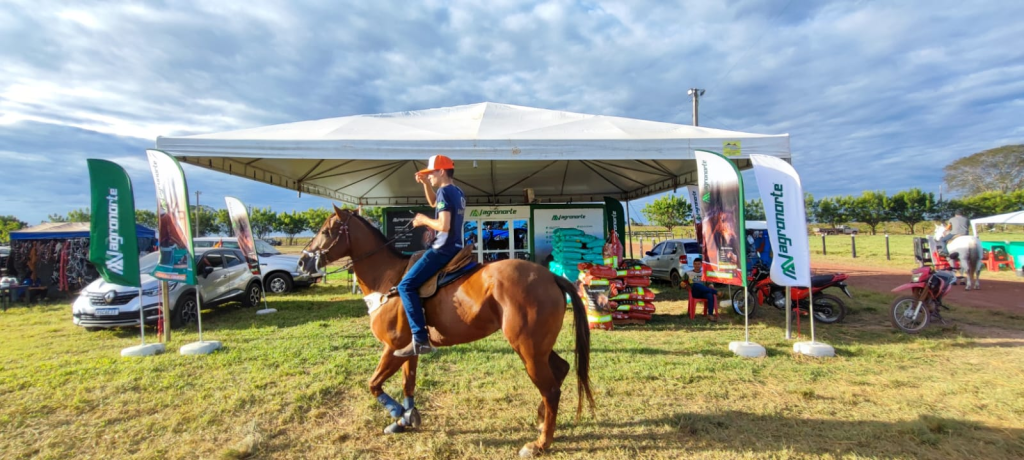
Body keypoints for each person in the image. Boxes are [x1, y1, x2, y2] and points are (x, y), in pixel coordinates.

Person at [394, 155, 466, 357]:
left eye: (431, 173)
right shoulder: (457, 191)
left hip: (442, 248)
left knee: (405, 286)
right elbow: (435, 203)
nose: (430, 177)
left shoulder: (444, 191)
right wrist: (426, 185)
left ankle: (419, 338)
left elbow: (444, 225)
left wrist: (423, 220)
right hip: (456, 246)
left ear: (441, 171)